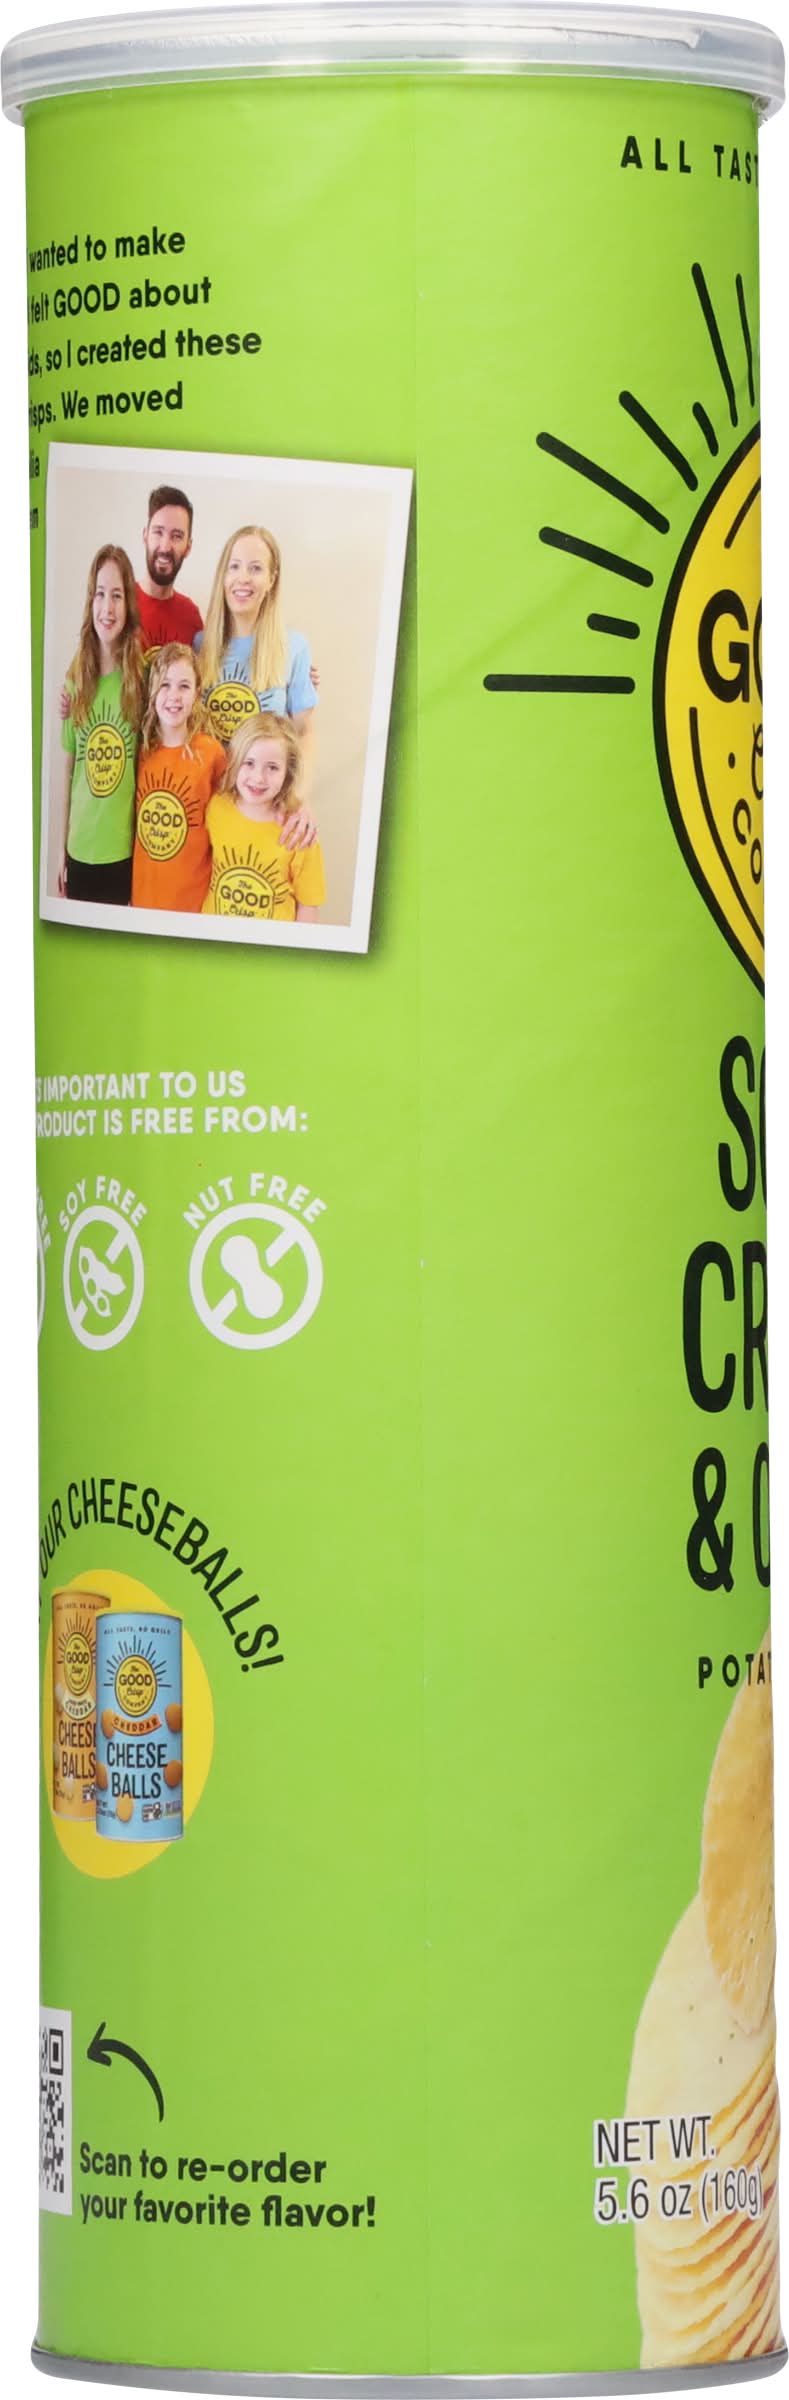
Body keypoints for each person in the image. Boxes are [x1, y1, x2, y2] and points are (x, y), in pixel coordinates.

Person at [195, 526, 318, 785]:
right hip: (206, 799)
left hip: (262, 801)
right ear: (223, 576)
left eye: (255, 568)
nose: (243, 578)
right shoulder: (199, 646)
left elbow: (303, 735)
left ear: (272, 579)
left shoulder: (294, 648)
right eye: (234, 566)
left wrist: (299, 796)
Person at [59, 546, 145, 905]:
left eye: (117, 596)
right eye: (99, 594)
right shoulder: (75, 681)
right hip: (79, 849)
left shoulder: (141, 679)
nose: (107, 608)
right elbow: (67, 772)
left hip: (122, 853)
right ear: (90, 601)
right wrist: (60, 849)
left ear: (128, 605)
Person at [203, 713, 326, 923]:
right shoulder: (216, 807)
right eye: (249, 763)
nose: (258, 778)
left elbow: (308, 904)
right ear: (235, 761)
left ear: (288, 772)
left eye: (272, 767)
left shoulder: (299, 832)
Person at [131, 644, 226, 912]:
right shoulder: (140, 752)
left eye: (184, 686)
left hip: (192, 905)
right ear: (152, 691)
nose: (174, 695)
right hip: (143, 901)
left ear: (196, 694)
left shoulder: (211, 753)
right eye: (165, 685)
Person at [135, 485, 203, 658]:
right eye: (158, 532)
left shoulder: (191, 617)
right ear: (145, 536)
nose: (165, 547)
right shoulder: (118, 603)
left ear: (188, 546)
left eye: (177, 536)